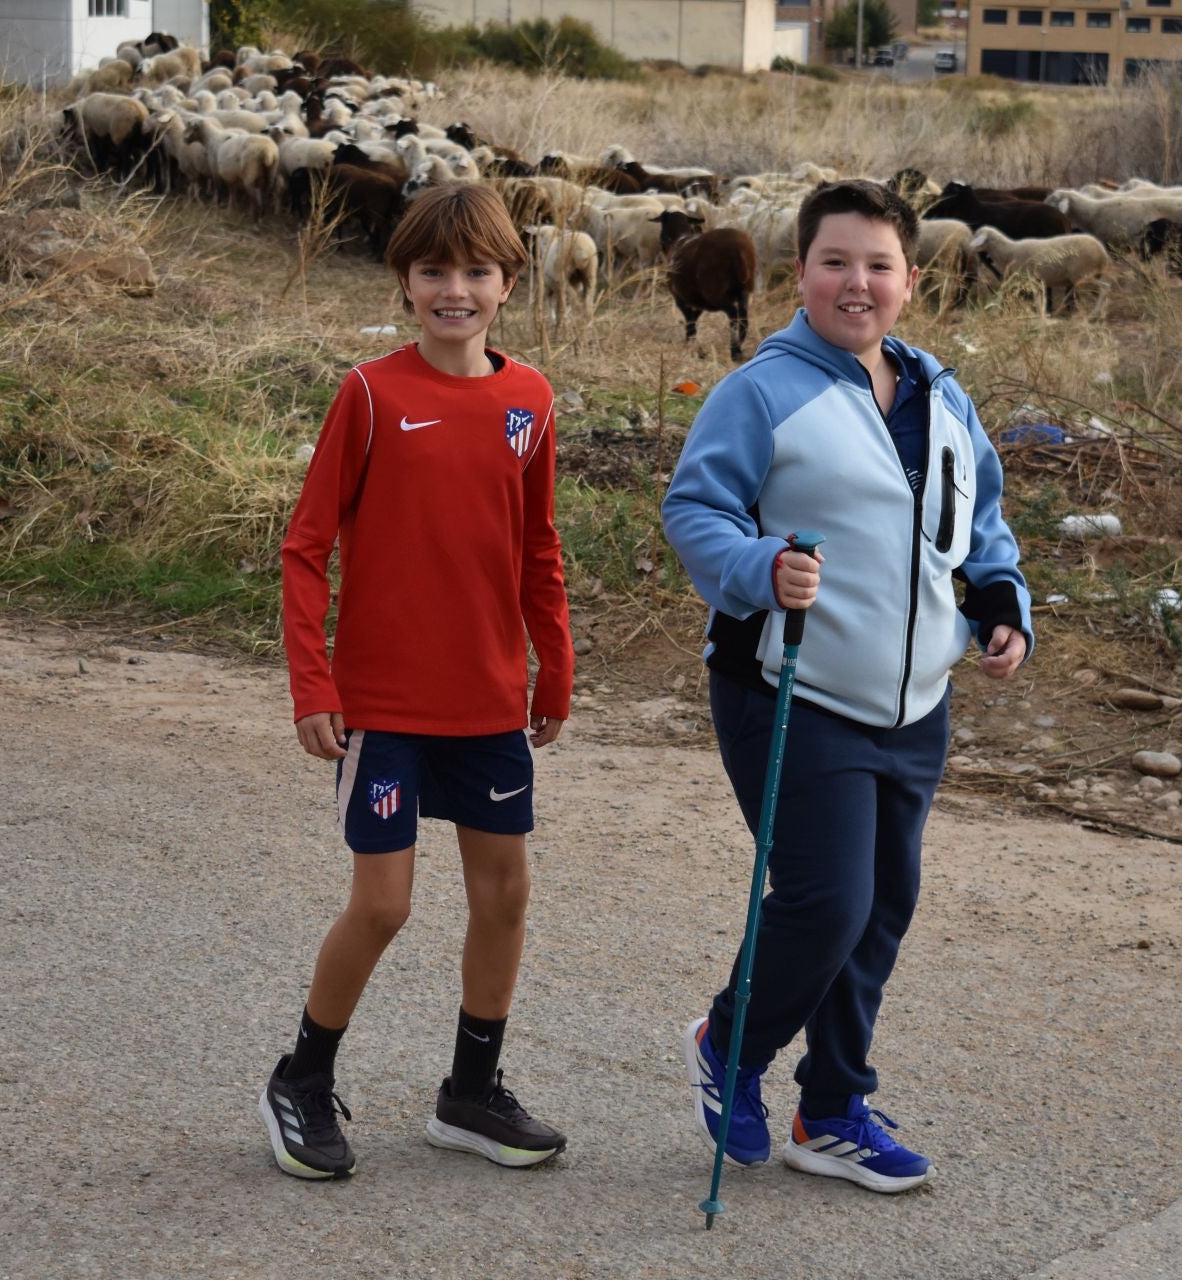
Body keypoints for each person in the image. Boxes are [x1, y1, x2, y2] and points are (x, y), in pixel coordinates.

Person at [662, 179, 1032, 1194]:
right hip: (789, 685)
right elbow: (696, 510)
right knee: (828, 899)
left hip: (915, 698)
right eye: (836, 262)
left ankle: (831, 1111)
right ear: (800, 275)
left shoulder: (941, 394)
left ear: (911, 279)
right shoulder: (762, 390)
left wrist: (1001, 603)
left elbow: (979, 521)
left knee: (883, 907)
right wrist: (761, 565)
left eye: (878, 264)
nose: (856, 283)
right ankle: (729, 1046)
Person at [264, 183, 574, 1180]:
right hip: (385, 706)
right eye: (434, 272)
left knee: (506, 893)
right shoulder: (368, 394)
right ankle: (302, 1079)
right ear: (405, 282)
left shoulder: (529, 398)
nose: (455, 290)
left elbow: (537, 546)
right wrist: (313, 680)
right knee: (385, 903)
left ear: (507, 283)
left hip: (487, 699)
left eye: (476, 272)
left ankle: (470, 1093)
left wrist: (554, 662)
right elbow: (306, 546)